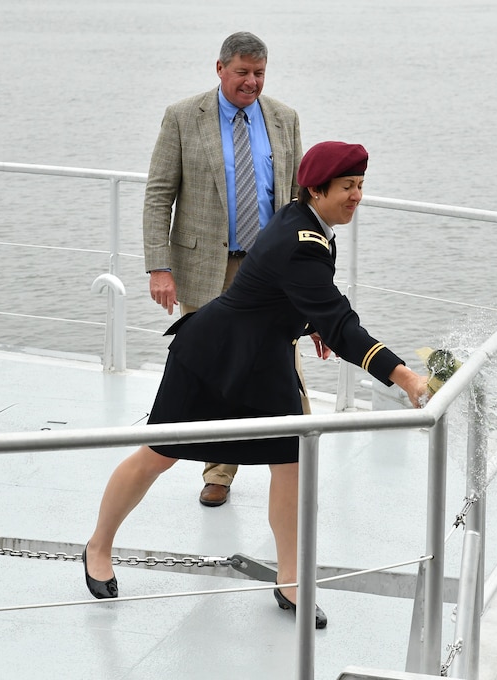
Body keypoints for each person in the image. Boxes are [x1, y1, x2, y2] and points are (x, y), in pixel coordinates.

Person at [83, 141, 430, 629]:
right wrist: (405, 375)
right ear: (316, 188)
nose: (357, 196)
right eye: (348, 187)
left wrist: (307, 323)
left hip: (265, 361)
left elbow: (287, 293)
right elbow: (340, 322)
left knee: (289, 465)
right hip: (210, 355)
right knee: (158, 455)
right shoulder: (301, 239)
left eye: (360, 186)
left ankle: (289, 580)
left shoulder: (308, 223)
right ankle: (98, 546)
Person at [142, 31, 304, 508]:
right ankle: (218, 474)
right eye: (242, 73)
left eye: (259, 73)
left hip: (270, 270)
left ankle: (295, 464)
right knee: (219, 372)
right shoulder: (182, 117)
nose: (251, 82)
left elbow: (298, 199)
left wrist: (308, 271)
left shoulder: (284, 118)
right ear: (220, 69)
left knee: (283, 367)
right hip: (207, 266)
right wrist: (159, 266)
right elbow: (158, 194)